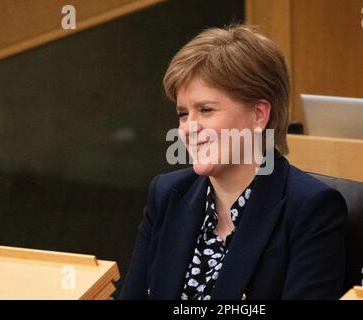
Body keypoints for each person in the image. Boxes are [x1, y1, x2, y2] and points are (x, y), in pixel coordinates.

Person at [120, 25, 347, 300]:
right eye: (183, 113)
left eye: (205, 110)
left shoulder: (311, 209)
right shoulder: (166, 193)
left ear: (258, 115)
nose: (189, 128)